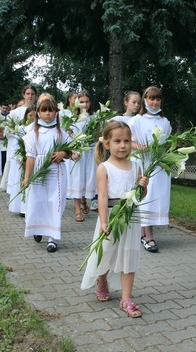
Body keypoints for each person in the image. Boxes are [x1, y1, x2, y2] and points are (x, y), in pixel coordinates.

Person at [81, 120, 149, 318]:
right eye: (117, 141)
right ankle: (102, 281)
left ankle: (126, 298)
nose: (122, 146)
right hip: (110, 216)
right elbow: (102, 196)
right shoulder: (104, 168)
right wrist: (103, 222)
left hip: (131, 217)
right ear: (107, 144)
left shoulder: (136, 166)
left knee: (129, 254)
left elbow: (140, 196)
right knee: (107, 252)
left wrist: (143, 186)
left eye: (126, 141)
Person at [22, 97, 71, 253]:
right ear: (38, 113)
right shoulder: (33, 134)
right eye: (44, 110)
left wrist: (63, 153)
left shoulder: (61, 133)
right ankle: (38, 227)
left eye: (51, 110)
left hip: (56, 172)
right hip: (39, 171)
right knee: (38, 201)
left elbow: (70, 152)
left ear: (56, 113)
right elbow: (30, 157)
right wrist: (27, 177)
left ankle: (52, 237)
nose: (48, 114)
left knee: (55, 203)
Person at [128, 86, 172, 253]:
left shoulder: (165, 122)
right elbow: (128, 140)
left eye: (157, 99)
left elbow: (167, 143)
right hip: (142, 162)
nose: (154, 102)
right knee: (145, 196)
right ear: (145, 100)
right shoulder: (136, 121)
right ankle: (148, 236)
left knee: (155, 197)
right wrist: (138, 146)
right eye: (151, 99)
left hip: (158, 165)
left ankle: (143, 232)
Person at [2, 85, 37, 196]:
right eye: (28, 93)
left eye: (32, 94)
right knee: (18, 173)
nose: (30, 96)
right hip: (18, 145)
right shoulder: (14, 113)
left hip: (34, 146)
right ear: (23, 95)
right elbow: (7, 131)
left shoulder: (38, 110)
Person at [66, 91, 95, 221]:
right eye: (81, 102)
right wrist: (72, 151)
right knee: (77, 180)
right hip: (76, 152)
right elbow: (67, 137)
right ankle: (78, 210)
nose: (84, 104)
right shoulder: (71, 119)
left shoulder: (94, 118)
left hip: (89, 152)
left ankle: (84, 199)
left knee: (87, 179)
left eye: (87, 102)